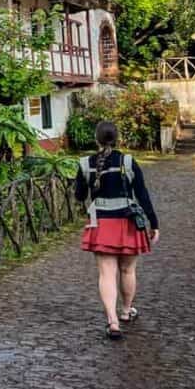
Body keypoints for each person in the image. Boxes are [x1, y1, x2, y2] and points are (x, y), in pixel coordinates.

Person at [75, 121, 160, 340]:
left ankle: (112, 321)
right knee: (128, 271)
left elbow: (79, 196)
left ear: (96, 139)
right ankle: (125, 311)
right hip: (128, 222)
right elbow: (142, 195)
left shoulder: (85, 164)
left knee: (106, 273)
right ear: (117, 138)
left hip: (101, 223)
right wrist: (154, 223)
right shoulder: (128, 162)